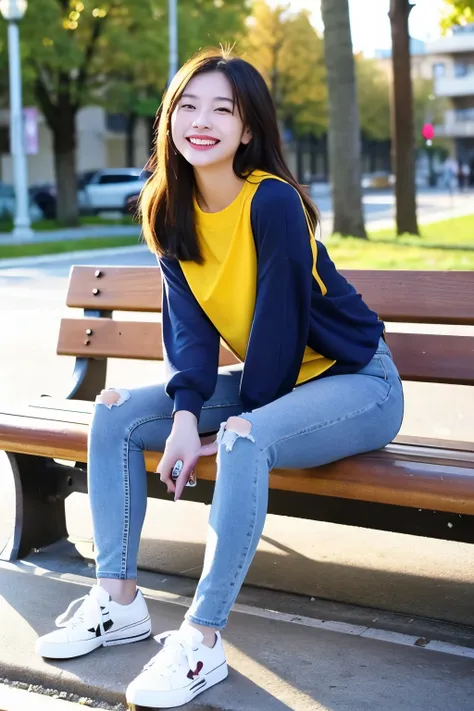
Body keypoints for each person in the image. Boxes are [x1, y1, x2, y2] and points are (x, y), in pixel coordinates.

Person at [35, 48, 404, 709]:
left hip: (361, 383)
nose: (201, 121)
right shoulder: (168, 208)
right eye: (188, 106)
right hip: (283, 384)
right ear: (169, 119)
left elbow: (281, 327)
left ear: (247, 129)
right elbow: (190, 333)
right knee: (116, 413)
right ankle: (118, 599)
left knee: (242, 438)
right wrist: (184, 416)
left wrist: (235, 423)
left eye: (222, 110)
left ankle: (202, 639)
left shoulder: (274, 204)